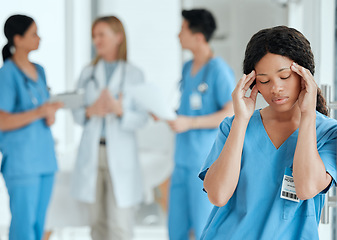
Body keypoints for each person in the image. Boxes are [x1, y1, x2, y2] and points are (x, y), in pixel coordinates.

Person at [199, 25, 337, 240]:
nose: (275, 88)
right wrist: (241, 120)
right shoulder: (233, 126)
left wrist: (308, 114)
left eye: (285, 76)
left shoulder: (328, 133)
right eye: (264, 80)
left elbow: (306, 188)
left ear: (305, 75)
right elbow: (217, 196)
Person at [71, 16, 148, 240]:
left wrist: (119, 110)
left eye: (101, 35)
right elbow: (76, 114)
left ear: (118, 37)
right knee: (97, 223)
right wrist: (90, 110)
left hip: (121, 154)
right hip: (93, 152)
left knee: (120, 224)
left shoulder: (134, 74)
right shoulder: (87, 74)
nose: (96, 40)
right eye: (94, 36)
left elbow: (142, 118)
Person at [166, 9, 235, 240]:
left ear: (198, 36)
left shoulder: (218, 70)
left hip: (204, 163)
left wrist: (191, 122)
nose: (178, 35)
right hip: (181, 160)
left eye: (182, 29)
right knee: (176, 229)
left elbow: (231, 111)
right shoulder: (187, 68)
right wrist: (171, 116)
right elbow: (187, 108)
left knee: (205, 228)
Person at [0, 15, 63, 240]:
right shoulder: (7, 73)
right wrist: (39, 112)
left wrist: (49, 114)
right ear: (17, 38)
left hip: (45, 159)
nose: (39, 38)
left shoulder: (40, 70)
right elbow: (2, 120)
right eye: (33, 34)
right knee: (23, 228)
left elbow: (42, 110)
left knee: (39, 227)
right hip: (22, 163)